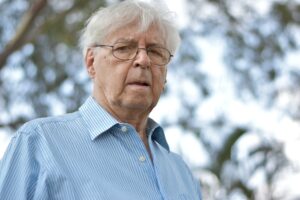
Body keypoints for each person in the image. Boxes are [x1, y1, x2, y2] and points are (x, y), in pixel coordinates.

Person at [0, 0, 202, 199]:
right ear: (91, 63)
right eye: (124, 48)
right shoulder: (38, 143)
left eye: (156, 52)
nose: (143, 60)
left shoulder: (182, 173)